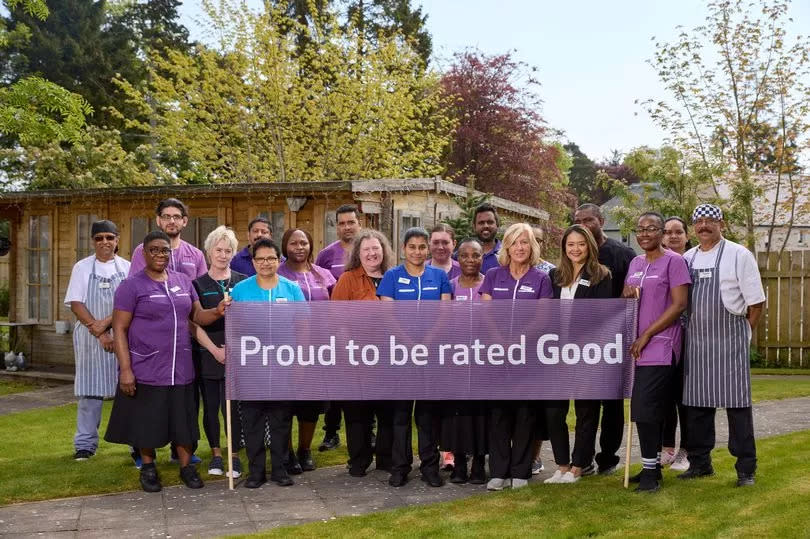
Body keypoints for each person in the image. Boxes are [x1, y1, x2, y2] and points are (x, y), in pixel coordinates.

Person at [105, 231, 229, 493]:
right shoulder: (132, 287)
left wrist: (216, 311)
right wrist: (126, 369)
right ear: (144, 254)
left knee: (183, 421)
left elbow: (196, 318)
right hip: (146, 367)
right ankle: (149, 468)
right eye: (154, 250)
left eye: (164, 251)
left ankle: (187, 468)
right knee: (147, 422)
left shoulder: (183, 281)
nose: (160, 255)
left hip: (181, 367)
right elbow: (119, 329)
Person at [679, 204, 765, 487]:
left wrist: (743, 334)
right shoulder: (687, 257)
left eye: (709, 221)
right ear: (694, 227)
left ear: (721, 224)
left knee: (738, 407)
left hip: (730, 341)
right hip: (697, 343)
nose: (704, 226)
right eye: (699, 222)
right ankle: (700, 463)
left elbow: (756, 302)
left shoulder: (739, 254)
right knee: (696, 407)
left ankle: (745, 469)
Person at [128, 198, 207, 466]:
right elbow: (134, 292)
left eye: (177, 216)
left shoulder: (195, 255)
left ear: (185, 221)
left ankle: (182, 450)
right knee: (149, 402)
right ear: (158, 220)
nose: (171, 221)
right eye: (166, 216)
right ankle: (142, 453)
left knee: (184, 401)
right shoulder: (142, 250)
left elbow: (197, 297)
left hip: (184, 340)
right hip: (151, 343)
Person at [479, 222, 553, 491]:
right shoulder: (493, 275)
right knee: (499, 413)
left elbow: (543, 317)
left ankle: (521, 471)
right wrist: (500, 341)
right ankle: (498, 471)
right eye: (514, 242)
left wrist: (518, 341)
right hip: (497, 354)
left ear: (532, 246)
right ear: (506, 246)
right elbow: (486, 314)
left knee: (525, 414)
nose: (519, 247)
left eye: (525, 242)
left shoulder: (541, 279)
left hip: (528, 355)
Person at [378, 227, 452, 488]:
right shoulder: (391, 276)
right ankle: (399, 468)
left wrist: (428, 340)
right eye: (413, 247)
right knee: (400, 414)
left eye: (423, 247)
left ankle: (430, 467)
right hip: (400, 354)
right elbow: (387, 315)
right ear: (404, 249)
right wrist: (408, 343)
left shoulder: (439, 276)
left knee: (427, 414)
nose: (418, 251)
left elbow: (445, 312)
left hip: (431, 354)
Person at [230, 237, 306, 489]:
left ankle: (280, 469)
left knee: (281, 421)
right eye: (260, 259)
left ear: (279, 260)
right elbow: (234, 329)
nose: (265, 263)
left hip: (283, 366)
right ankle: (256, 472)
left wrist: (299, 362)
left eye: (271, 258)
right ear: (253, 262)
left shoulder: (291, 289)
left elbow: (303, 326)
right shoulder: (240, 290)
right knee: (252, 421)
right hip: (251, 368)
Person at [622, 213, 690, 492]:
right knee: (642, 409)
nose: (645, 233)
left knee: (646, 407)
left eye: (651, 229)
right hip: (636, 346)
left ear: (662, 232)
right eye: (640, 229)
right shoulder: (635, 263)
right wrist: (626, 296)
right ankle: (651, 467)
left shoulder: (675, 261)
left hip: (661, 344)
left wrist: (648, 334)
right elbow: (630, 301)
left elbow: (679, 304)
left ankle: (652, 472)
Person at [544, 224, 613, 484]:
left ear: (590, 246)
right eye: (570, 244)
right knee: (554, 411)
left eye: (581, 244)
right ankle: (562, 465)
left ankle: (580, 465)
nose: (575, 249)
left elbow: (600, 318)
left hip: (586, 353)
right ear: (564, 247)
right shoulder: (554, 275)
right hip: (556, 354)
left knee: (586, 411)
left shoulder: (601, 275)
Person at [573, 203, 636, 474]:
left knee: (612, 404)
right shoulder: (578, 254)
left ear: (601, 220)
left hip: (615, 340)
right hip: (584, 342)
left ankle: (607, 458)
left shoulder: (623, 254)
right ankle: (582, 460)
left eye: (589, 220)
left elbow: (631, 293)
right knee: (586, 405)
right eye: (579, 221)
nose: (585, 225)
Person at [331, 229, 396, 477]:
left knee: (388, 411)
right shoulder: (348, 279)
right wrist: (351, 350)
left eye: (376, 248)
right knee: (358, 413)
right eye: (366, 249)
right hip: (356, 357)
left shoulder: (394, 277)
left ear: (384, 250)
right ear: (358, 253)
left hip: (390, 356)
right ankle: (358, 459)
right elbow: (336, 319)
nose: (371, 253)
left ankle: (386, 458)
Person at [65, 220, 130, 461]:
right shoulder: (81, 268)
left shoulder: (127, 268)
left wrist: (110, 324)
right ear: (93, 241)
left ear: (117, 240)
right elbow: (76, 303)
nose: (105, 242)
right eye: (99, 238)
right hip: (91, 339)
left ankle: (135, 444)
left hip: (122, 335)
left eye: (109, 237)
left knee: (127, 391)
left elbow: (130, 304)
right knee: (89, 393)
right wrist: (101, 332)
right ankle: (85, 445)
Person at [278, 228, 336, 473]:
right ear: (285, 246)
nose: (299, 247)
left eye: (304, 243)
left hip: (317, 349)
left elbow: (336, 308)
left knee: (310, 404)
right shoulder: (277, 273)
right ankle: (287, 452)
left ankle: (305, 449)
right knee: (285, 404)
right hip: (286, 348)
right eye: (294, 243)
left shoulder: (323, 275)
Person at [191, 226, 247, 478]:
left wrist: (234, 348)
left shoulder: (242, 282)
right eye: (219, 250)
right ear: (209, 251)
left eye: (228, 251)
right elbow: (193, 323)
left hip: (237, 353)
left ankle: (234, 456)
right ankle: (215, 454)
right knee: (211, 406)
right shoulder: (198, 284)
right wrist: (214, 350)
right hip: (209, 352)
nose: (223, 255)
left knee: (232, 407)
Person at [441, 238, 488, 485]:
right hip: (456, 359)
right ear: (458, 258)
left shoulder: (488, 286)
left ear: (482, 258)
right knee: (456, 413)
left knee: (480, 412)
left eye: (476, 255)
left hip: (483, 360)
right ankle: (459, 463)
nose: (471, 260)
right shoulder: (449, 286)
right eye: (466, 255)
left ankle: (479, 462)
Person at [316, 204, 361, 452]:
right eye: (342, 223)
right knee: (335, 382)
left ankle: (369, 430)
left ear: (359, 222)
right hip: (335, 328)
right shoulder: (326, 255)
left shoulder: (369, 250)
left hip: (364, 329)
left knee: (365, 380)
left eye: (350, 222)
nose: (346, 227)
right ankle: (331, 433)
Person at [661, 216, 692, 471]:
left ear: (686, 235)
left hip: (690, 337)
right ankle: (667, 448)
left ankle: (686, 450)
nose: (673, 236)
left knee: (686, 397)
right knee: (665, 396)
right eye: (668, 232)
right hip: (664, 338)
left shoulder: (692, 261)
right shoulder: (655, 263)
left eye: (678, 232)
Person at [530, 225, 556, 475]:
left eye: (536, 240)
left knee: (535, 406)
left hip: (538, 346)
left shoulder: (550, 272)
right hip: (505, 348)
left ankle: (534, 456)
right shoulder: (501, 270)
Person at [473, 203, 502, 275]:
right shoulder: (462, 255)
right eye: (481, 223)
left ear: (497, 225)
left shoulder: (507, 254)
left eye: (490, 222)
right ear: (474, 227)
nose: (486, 226)